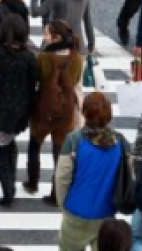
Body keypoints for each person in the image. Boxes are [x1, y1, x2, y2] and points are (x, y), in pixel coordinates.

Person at [56, 92, 131, 251]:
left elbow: (62, 178)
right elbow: (129, 175)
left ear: (84, 113)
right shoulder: (121, 142)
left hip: (76, 212)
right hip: (106, 215)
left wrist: (64, 205)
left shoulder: (74, 141)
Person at [24, 20, 83, 206]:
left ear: (56, 37)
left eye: (47, 34)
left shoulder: (43, 58)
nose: (44, 37)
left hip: (43, 108)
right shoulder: (77, 60)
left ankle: (32, 183)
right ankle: (56, 193)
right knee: (59, 151)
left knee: (35, 145)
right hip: (66, 111)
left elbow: (36, 81)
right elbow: (75, 82)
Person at [0, 15, 37, 207]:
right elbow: (32, 87)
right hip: (20, 110)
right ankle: (11, 181)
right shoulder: (29, 58)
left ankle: (8, 189)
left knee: (1, 152)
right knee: (9, 143)